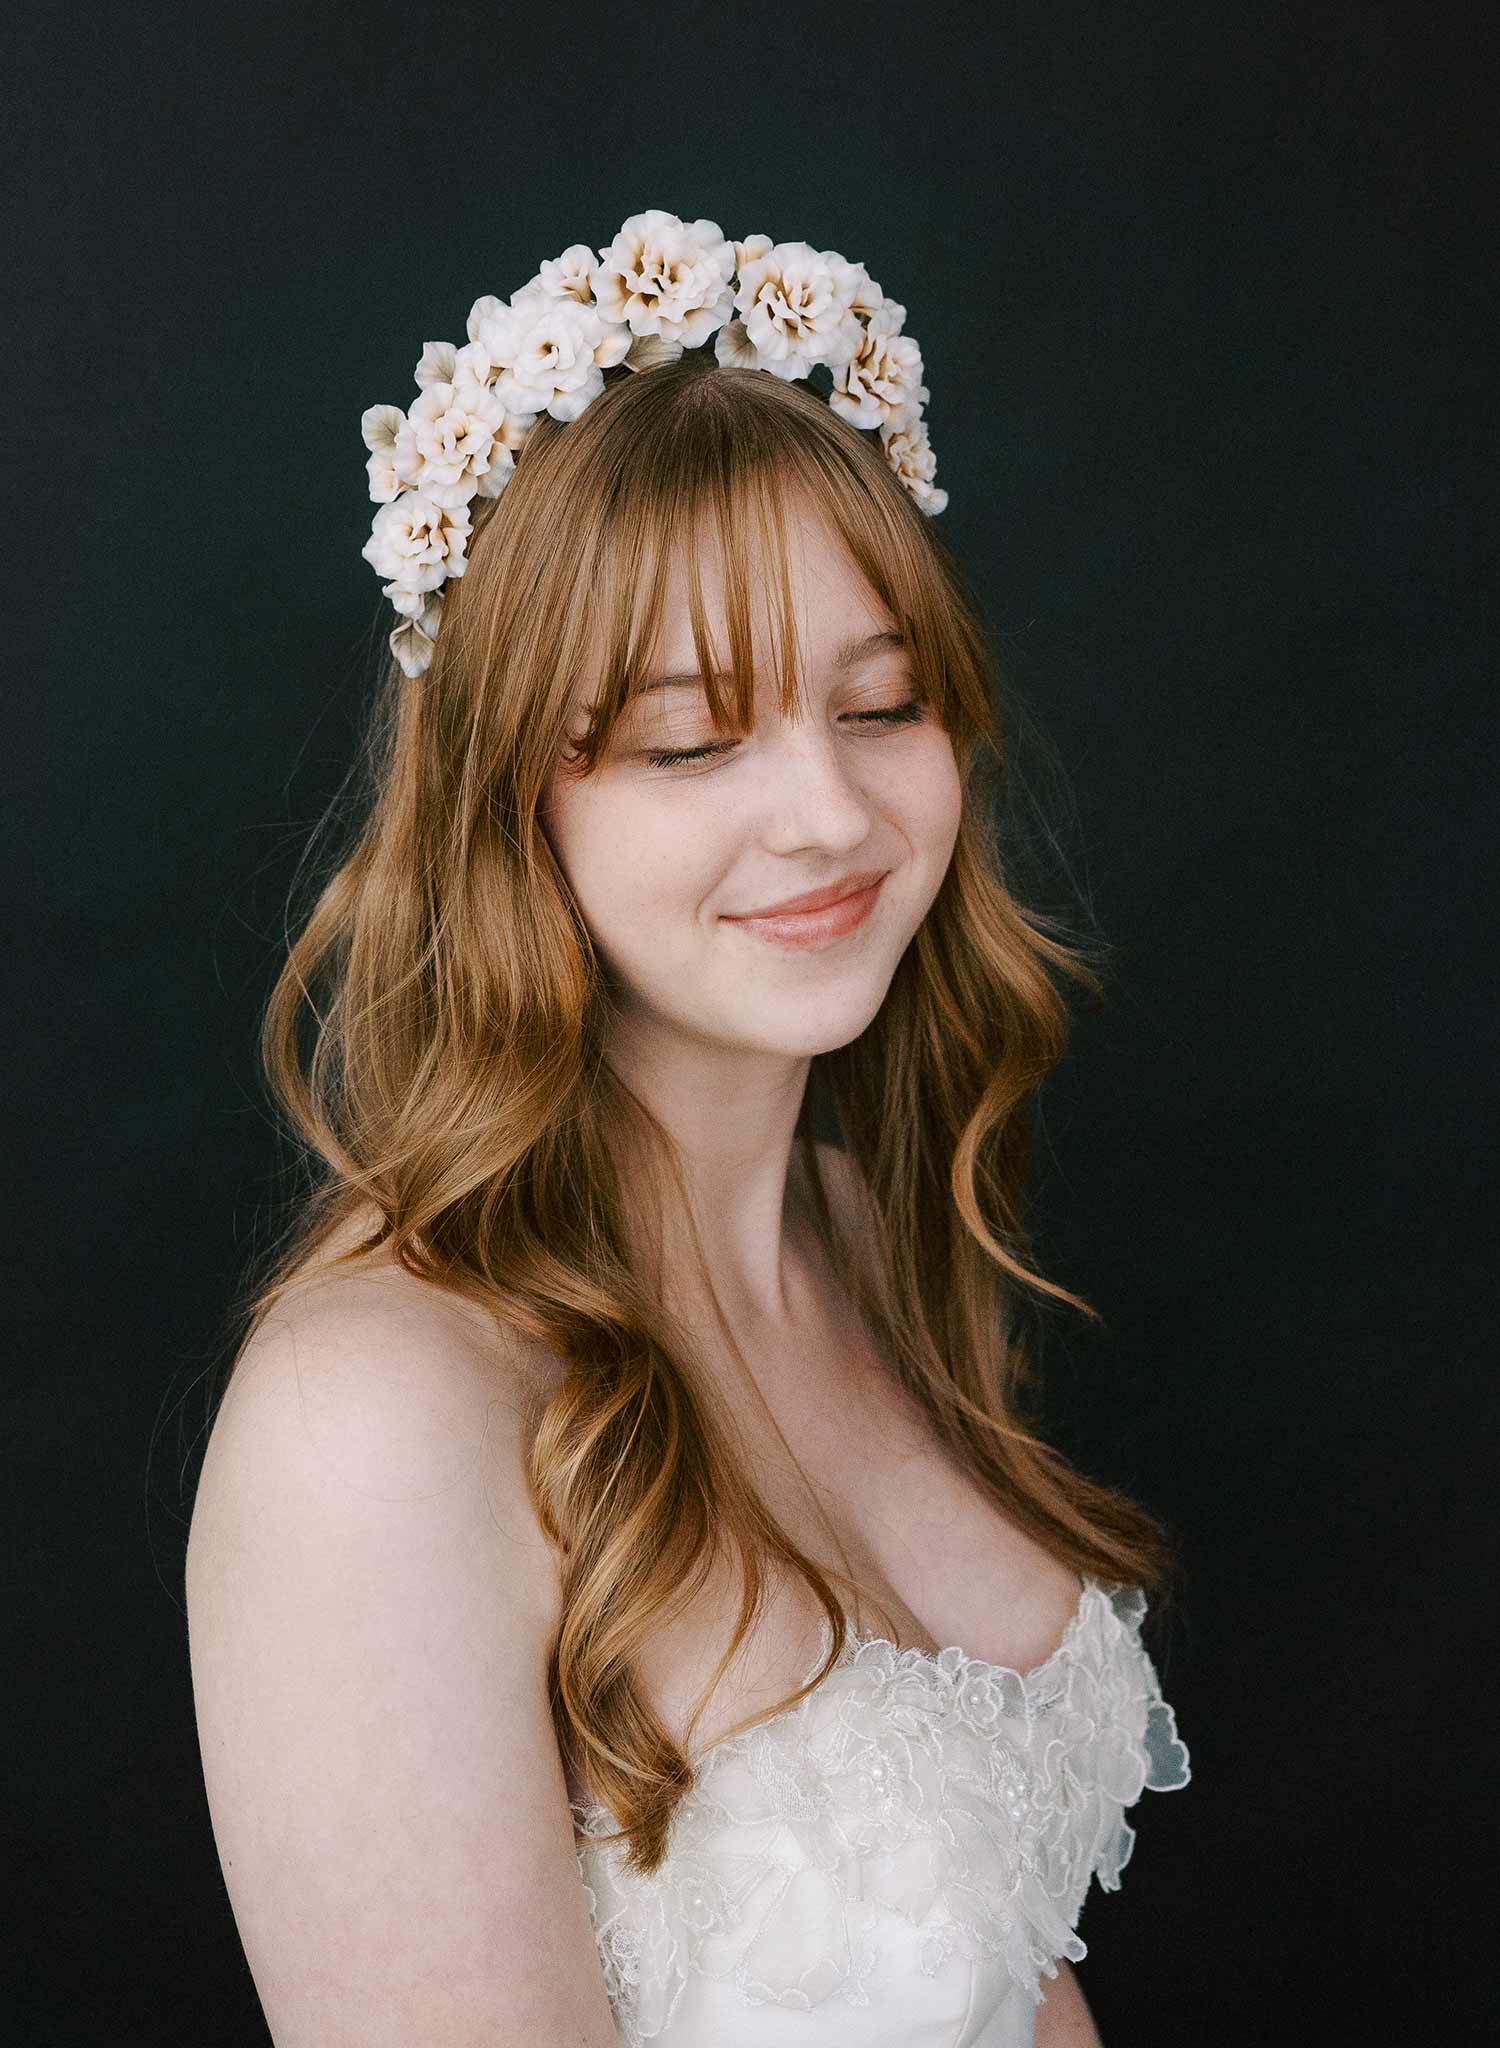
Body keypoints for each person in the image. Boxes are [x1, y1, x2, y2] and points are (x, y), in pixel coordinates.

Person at [185, 211, 1191, 2048]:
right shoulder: (378, 1416)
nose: (828, 813)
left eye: (879, 706)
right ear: (517, 804)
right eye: (685, 742)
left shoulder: (847, 1233)